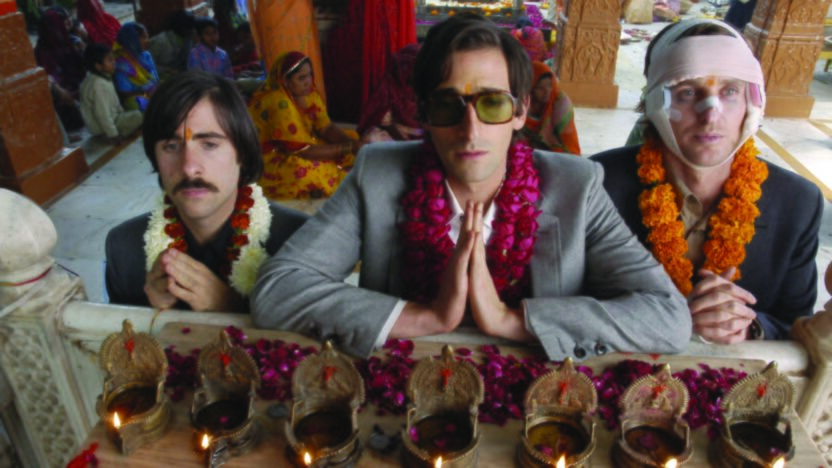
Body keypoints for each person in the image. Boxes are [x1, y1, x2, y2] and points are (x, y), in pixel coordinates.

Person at [250, 14, 690, 360]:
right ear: (423, 113)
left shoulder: (576, 186)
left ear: (520, 112)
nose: (470, 129)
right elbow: (278, 290)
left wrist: (508, 320)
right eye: (448, 105)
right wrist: (426, 317)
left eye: (492, 103)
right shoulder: (377, 176)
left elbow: (668, 317)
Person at [591, 19, 823, 344]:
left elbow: (796, 324)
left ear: (753, 104)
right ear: (654, 102)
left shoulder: (797, 202)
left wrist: (750, 328)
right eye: (687, 93)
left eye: (730, 92)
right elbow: (567, 303)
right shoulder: (596, 185)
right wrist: (658, 319)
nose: (711, 115)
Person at [105, 70, 308, 312]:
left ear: (242, 153)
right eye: (171, 146)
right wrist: (150, 315)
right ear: (154, 158)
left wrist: (231, 307)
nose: (189, 168)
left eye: (209, 144)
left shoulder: (299, 242)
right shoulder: (125, 250)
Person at [248, 51, 362, 199]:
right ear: (285, 81)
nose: (308, 81)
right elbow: (303, 151)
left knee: (352, 136)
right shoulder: (279, 103)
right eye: (301, 78)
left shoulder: (309, 94)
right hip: (273, 156)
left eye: (309, 75)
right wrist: (349, 148)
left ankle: (321, 184)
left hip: (304, 144)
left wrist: (352, 143)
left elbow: (326, 127)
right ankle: (317, 185)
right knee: (302, 170)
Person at [357, 44, 423, 144]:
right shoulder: (389, 86)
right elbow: (384, 123)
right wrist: (404, 143)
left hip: (421, 133)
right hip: (395, 133)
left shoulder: (427, 86)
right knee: (371, 138)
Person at [80, 43, 143, 146]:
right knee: (139, 115)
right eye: (110, 60)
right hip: (101, 127)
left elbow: (114, 104)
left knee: (135, 112)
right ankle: (109, 134)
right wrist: (113, 135)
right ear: (98, 66)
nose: (114, 62)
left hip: (105, 123)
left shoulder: (96, 78)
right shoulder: (98, 85)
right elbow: (102, 114)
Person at [35, 7, 86, 133]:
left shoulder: (70, 40)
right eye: (64, 22)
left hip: (78, 85)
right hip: (63, 92)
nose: (69, 24)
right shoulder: (42, 51)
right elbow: (51, 78)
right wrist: (62, 91)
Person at [518, 61, 581, 155]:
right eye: (540, 88)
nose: (547, 91)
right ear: (530, 88)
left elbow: (569, 142)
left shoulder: (560, 103)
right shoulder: (521, 104)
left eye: (550, 85)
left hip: (554, 152)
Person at [113, 22, 159, 112]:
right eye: (143, 37)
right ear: (132, 40)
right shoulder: (122, 64)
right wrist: (146, 93)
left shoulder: (146, 55)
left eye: (147, 36)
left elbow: (155, 78)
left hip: (152, 91)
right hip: (137, 96)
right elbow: (125, 92)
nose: (147, 40)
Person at [148, 10, 197, 80]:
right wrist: (166, 70)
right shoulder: (160, 41)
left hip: (180, 75)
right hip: (161, 76)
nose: (192, 31)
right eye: (189, 28)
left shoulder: (188, 39)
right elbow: (148, 65)